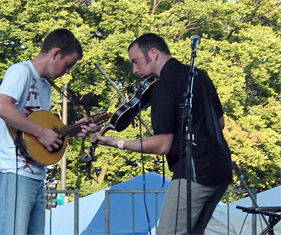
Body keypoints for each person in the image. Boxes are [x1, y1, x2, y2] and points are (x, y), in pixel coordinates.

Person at [91, 33, 233, 234]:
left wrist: (117, 143)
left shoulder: (164, 86)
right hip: (221, 169)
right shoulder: (199, 75)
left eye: (136, 61)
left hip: (194, 173)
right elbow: (220, 122)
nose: (135, 69)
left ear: (154, 53)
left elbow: (162, 144)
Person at [0, 28, 96, 235]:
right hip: (14, 170)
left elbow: (40, 128)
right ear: (56, 53)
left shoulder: (45, 86)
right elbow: (1, 107)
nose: (68, 72)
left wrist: (73, 131)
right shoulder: (21, 71)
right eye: (68, 65)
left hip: (37, 174)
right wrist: (41, 132)